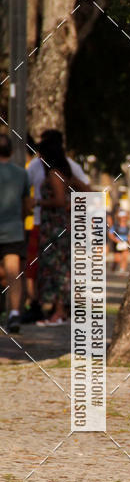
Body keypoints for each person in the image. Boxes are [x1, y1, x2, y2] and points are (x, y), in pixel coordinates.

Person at [26, 129, 91, 320]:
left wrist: (38, 203)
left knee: (57, 268)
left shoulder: (55, 174)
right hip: (54, 225)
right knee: (55, 267)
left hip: (55, 227)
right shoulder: (63, 172)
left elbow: (60, 200)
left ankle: (59, 309)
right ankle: (53, 307)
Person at [0, 135, 31, 333]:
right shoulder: (22, 174)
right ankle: (14, 314)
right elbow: (27, 206)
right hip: (13, 229)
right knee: (14, 273)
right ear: (11, 152)